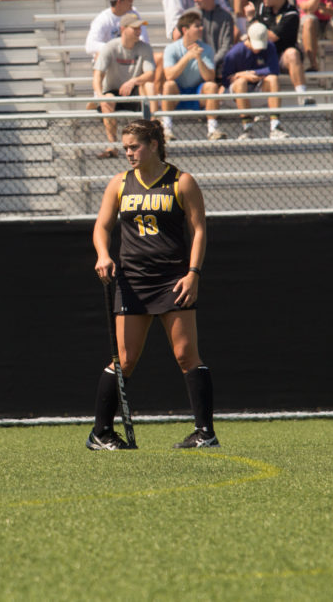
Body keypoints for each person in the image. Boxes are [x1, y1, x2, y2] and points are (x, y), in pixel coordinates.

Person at [89, 119, 217, 451]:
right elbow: (102, 227)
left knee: (186, 354)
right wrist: (103, 254)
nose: (128, 153)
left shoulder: (182, 182)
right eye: (125, 148)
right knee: (124, 359)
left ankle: (205, 433)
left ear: (154, 145)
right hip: (132, 281)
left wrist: (193, 273)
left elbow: (199, 230)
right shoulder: (119, 183)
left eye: (135, 147)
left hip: (173, 281)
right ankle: (100, 433)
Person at [93, 14, 156, 155]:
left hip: (134, 91)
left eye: (140, 28)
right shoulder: (110, 47)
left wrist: (133, 81)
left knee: (149, 86)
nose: (138, 31)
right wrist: (99, 96)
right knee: (107, 99)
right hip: (113, 91)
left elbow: (150, 74)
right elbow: (97, 75)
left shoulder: (144, 48)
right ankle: (112, 146)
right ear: (123, 29)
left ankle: (153, 132)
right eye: (134, 28)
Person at [247, 0, 311, 104]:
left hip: (281, 57)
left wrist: (252, 19)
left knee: (292, 53)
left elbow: (271, 37)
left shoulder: (291, 13)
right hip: (263, 55)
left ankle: (302, 95)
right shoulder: (261, 7)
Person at [160, 11, 222, 141]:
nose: (201, 28)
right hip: (178, 93)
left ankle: (212, 129)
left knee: (211, 86)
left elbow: (210, 77)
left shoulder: (207, 49)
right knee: (168, 85)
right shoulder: (171, 49)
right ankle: (167, 130)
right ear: (185, 29)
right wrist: (187, 57)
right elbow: (169, 75)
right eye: (197, 26)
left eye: (201, 25)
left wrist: (199, 58)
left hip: (197, 92)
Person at [221, 22, 289, 139]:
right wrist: (242, 75)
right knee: (241, 82)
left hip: (258, 88)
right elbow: (225, 80)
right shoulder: (235, 53)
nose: (258, 49)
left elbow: (274, 69)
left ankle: (275, 126)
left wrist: (254, 73)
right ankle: (247, 127)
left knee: (273, 79)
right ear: (248, 38)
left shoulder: (270, 47)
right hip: (237, 94)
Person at [193, 0, 238, 83]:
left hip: (218, 67)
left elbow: (226, 46)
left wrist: (210, 62)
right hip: (196, 65)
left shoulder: (225, 17)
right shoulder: (192, 15)